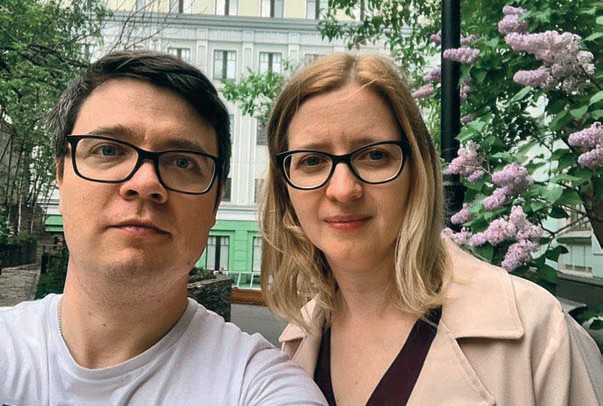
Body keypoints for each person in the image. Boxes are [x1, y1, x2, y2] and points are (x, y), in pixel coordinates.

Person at [260, 53, 603, 405]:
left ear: (417, 170)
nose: (343, 190)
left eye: (375, 155)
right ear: (285, 188)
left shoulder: (539, 334)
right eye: (312, 161)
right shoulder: (293, 351)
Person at [0, 51, 326, 405]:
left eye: (182, 162)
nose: (144, 183)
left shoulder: (262, 386)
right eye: (108, 151)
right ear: (61, 177)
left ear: (216, 202)